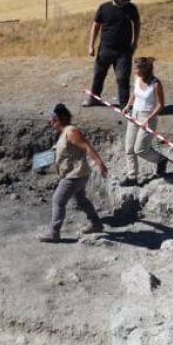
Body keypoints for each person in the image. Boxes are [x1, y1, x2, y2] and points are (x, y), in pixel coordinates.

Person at [40, 103, 109, 243]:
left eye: (53, 120)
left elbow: (87, 147)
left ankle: (54, 232)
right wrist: (39, 161)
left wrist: (100, 164)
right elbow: (60, 152)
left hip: (75, 174)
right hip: (78, 173)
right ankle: (96, 224)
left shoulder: (71, 132)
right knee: (81, 200)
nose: (51, 123)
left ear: (62, 119)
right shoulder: (64, 133)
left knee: (58, 200)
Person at [86, 0, 140, 108]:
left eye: (126, 1)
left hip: (124, 51)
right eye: (122, 1)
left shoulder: (131, 8)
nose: (124, 3)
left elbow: (137, 23)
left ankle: (124, 104)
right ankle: (94, 99)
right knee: (99, 75)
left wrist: (135, 41)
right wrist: (91, 46)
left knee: (122, 78)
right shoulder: (104, 8)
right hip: (105, 49)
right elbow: (95, 26)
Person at [120, 57, 169, 186]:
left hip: (148, 117)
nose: (134, 71)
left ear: (145, 70)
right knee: (129, 148)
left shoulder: (155, 84)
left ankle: (161, 160)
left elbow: (161, 105)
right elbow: (134, 94)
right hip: (134, 114)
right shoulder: (137, 78)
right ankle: (132, 177)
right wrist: (128, 106)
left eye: (137, 69)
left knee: (140, 149)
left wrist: (148, 118)